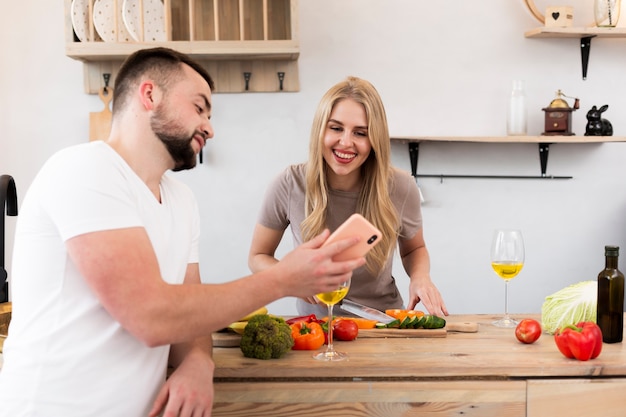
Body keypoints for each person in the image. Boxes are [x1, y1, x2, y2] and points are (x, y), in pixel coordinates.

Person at [0, 48, 365, 417]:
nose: (210, 126)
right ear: (150, 95)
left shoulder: (181, 200)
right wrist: (284, 279)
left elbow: (189, 311)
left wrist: (197, 363)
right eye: (199, 107)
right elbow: (151, 316)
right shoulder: (85, 169)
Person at [248, 76, 448, 319]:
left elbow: (414, 248)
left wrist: (420, 278)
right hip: (318, 326)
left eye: (360, 133)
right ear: (320, 130)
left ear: (375, 139)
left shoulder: (401, 187)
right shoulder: (289, 183)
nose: (346, 142)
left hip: (382, 324)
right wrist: (290, 279)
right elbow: (258, 257)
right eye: (335, 128)